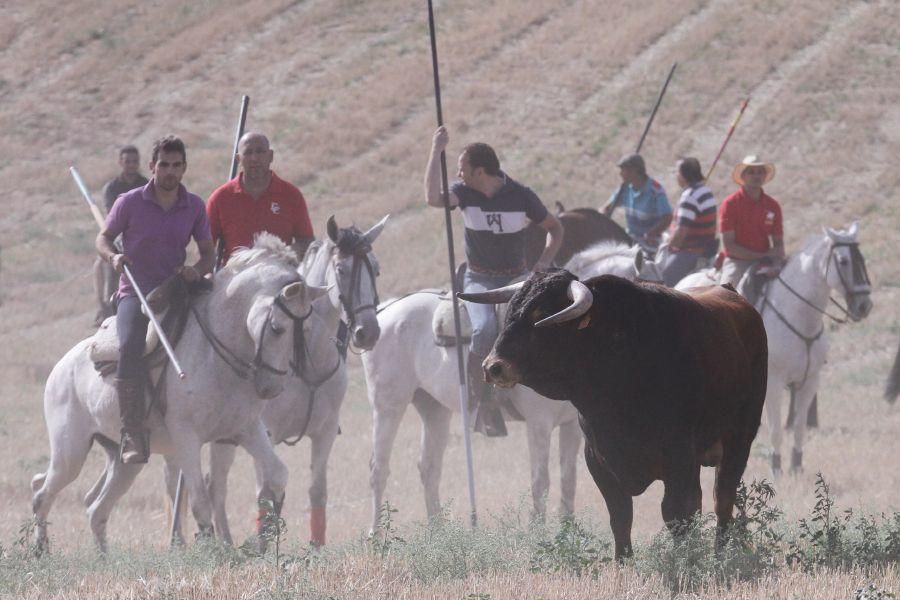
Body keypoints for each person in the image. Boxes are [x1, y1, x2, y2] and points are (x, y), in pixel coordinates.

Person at [424, 126, 563, 436]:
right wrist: (436, 149)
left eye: (462, 169)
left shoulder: (522, 196)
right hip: (478, 279)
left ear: (480, 171)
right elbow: (432, 197)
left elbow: (555, 227)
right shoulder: (465, 193)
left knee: (542, 321)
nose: (459, 174)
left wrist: (544, 260)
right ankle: (482, 402)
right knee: (485, 328)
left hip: (517, 278)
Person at [96, 135, 215, 464]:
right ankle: (132, 430)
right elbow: (103, 238)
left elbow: (208, 254)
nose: (170, 171)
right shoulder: (130, 201)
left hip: (175, 289)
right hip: (135, 289)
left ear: (184, 168)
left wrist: (197, 270)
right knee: (131, 343)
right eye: (164, 164)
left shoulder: (193, 205)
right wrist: (113, 258)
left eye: (177, 165)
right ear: (152, 167)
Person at [207, 132, 314, 266]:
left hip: (281, 277)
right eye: (248, 152)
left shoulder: (291, 195)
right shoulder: (220, 198)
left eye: (260, 151)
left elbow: (307, 242)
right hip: (234, 279)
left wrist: (281, 255)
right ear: (238, 159)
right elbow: (206, 247)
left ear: (270, 156)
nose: (254, 158)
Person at [92, 146, 149, 326]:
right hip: (117, 238)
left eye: (134, 161)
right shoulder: (112, 187)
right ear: (121, 163)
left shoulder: (146, 184)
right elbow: (111, 215)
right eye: (127, 161)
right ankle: (104, 308)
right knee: (102, 265)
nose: (131, 165)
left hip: (141, 239)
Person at [718, 155, 784, 298]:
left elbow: (779, 243)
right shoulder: (730, 204)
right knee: (725, 298)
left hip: (765, 262)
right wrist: (762, 255)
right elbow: (729, 246)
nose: (757, 176)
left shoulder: (773, 206)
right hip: (737, 263)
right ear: (743, 176)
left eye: (760, 172)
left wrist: (777, 263)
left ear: (765, 176)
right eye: (751, 172)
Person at [659, 157, 718, 286]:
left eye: (677, 172)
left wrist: (668, 245)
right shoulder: (706, 191)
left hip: (690, 251)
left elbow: (681, 233)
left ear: (684, 175)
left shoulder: (689, 196)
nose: (676, 175)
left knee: (661, 281)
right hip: (705, 247)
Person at [602, 153, 672, 256]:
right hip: (630, 238)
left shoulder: (656, 191)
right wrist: (603, 214)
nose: (620, 174)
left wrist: (651, 233)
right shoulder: (625, 188)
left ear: (634, 171)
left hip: (650, 242)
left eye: (623, 170)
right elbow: (606, 208)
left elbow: (668, 217)